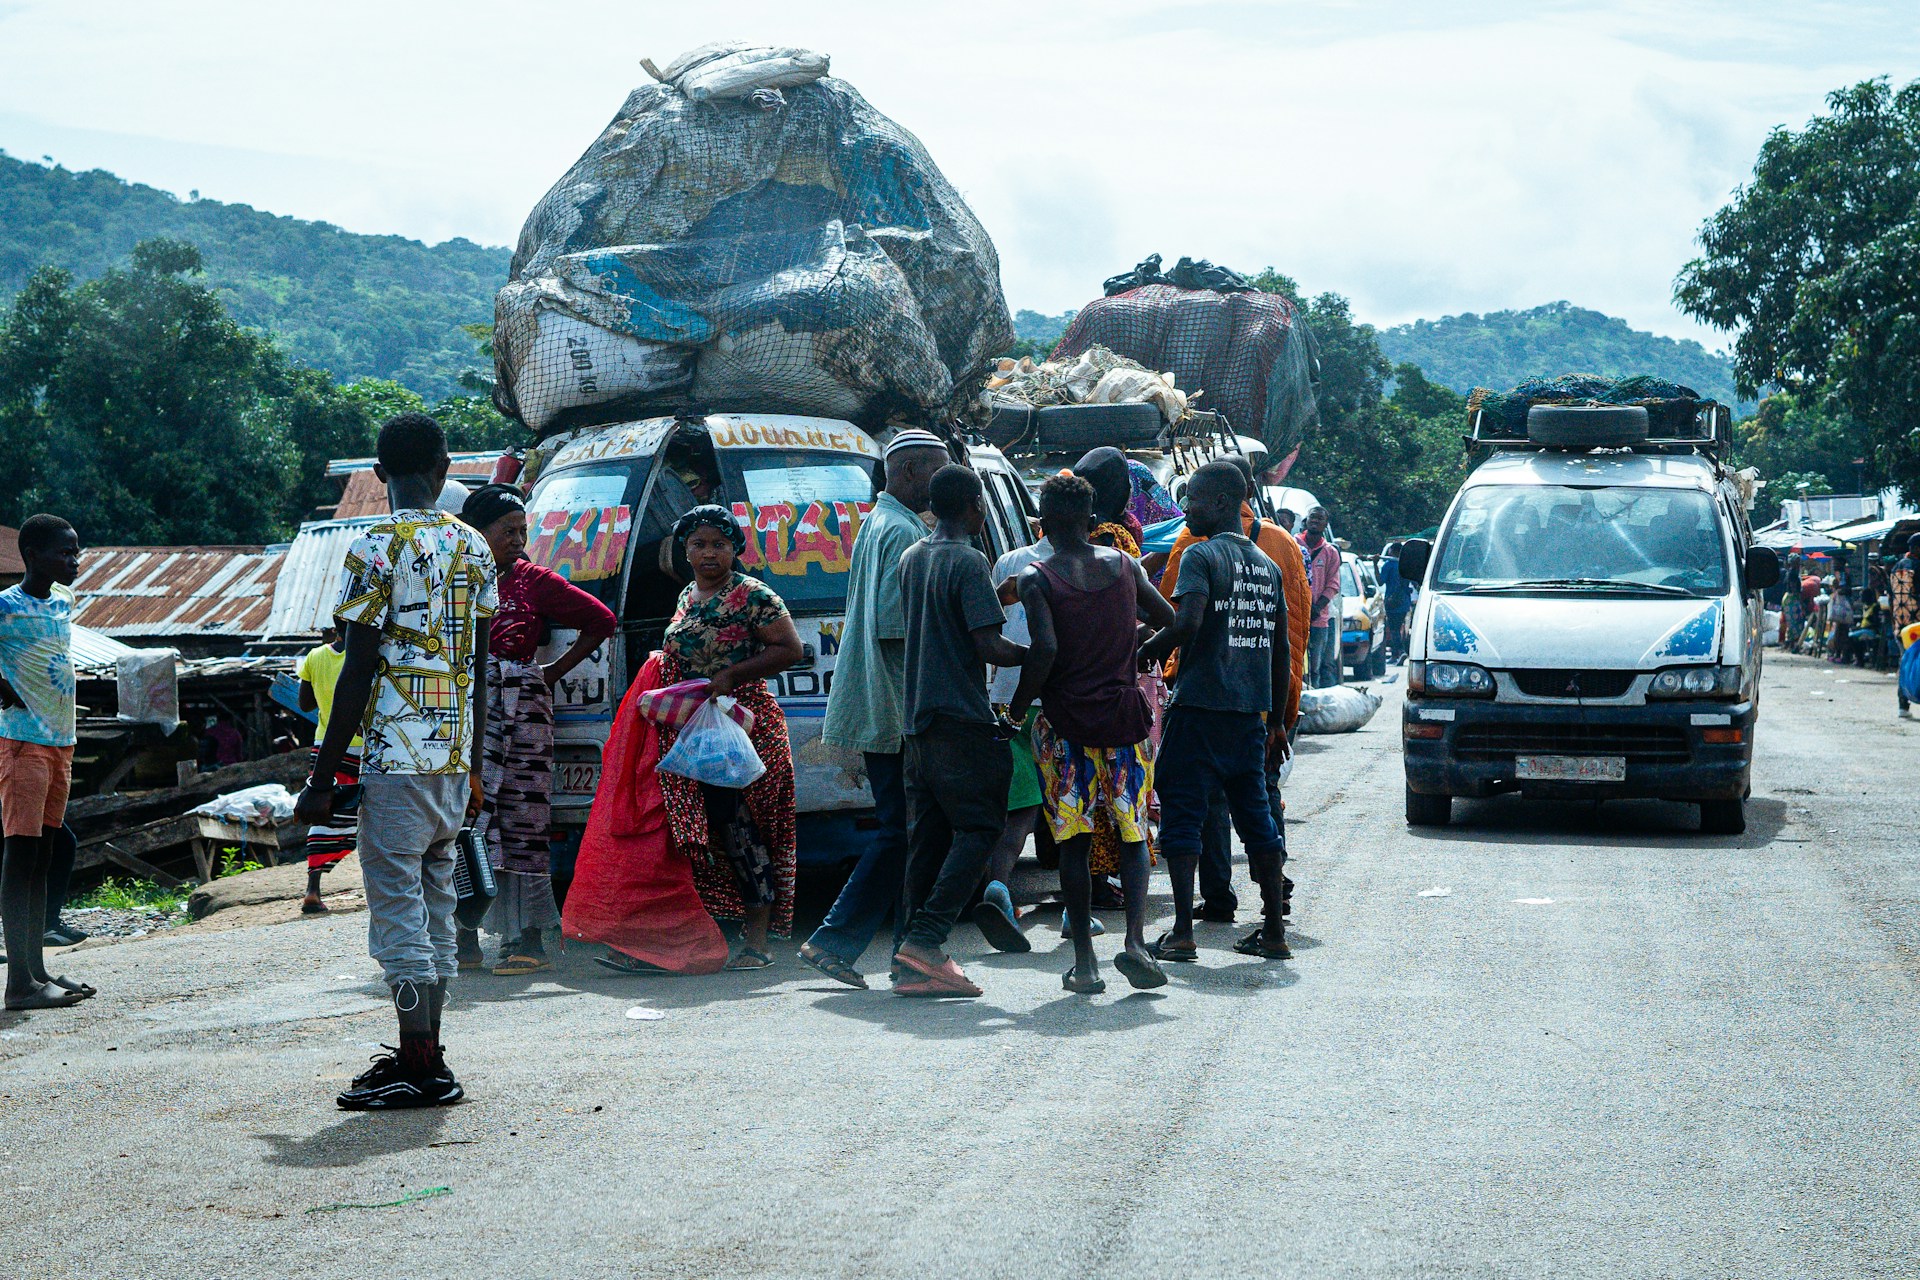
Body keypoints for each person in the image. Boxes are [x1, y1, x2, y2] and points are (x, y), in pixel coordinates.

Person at [294, 413, 499, 1110]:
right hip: (449, 762)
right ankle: (427, 1058)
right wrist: (473, 764)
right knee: (437, 910)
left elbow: (355, 669)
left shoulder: (375, 544)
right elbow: (478, 663)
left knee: (401, 919)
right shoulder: (474, 545)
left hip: (396, 760)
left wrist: (322, 781)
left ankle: (420, 1063)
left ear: (379, 474)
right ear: (444, 470)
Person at [797, 430, 951, 988]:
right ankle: (836, 941)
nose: (943, 485)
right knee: (902, 834)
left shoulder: (883, 524)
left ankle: (901, 955)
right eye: (937, 472)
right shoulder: (904, 532)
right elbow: (896, 627)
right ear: (910, 472)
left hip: (881, 703)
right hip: (894, 706)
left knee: (909, 834)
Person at [1011, 474, 1176, 993]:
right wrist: (1136, 653)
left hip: (1064, 728)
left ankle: (1084, 963)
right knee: (1132, 836)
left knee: (1074, 843)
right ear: (1090, 520)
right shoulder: (1124, 566)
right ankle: (1134, 944)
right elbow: (1171, 619)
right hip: (1125, 722)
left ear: (1042, 521)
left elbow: (1045, 652)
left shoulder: (1037, 577)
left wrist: (1016, 710)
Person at [456, 484, 618, 976]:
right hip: (463, 708)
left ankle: (526, 940)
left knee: (523, 820)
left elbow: (601, 620)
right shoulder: (452, 578)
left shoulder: (534, 581)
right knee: (465, 816)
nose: (519, 540)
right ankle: (463, 936)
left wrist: (548, 674)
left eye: (523, 531)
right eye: (507, 531)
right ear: (476, 533)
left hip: (522, 709)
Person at [1139, 462, 1292, 964]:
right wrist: (1275, 722)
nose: (1187, 510)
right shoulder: (1267, 568)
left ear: (1225, 501)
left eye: (1196, 500)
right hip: (1247, 717)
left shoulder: (1201, 557)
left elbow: (1186, 623)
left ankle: (1182, 932)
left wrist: (1146, 652)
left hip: (1200, 708)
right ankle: (1272, 931)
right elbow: (1279, 652)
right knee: (1257, 819)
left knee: (1183, 813)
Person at [640, 505, 804, 970]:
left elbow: (790, 649)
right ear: (683, 550)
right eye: (698, 544)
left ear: (735, 548)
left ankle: (757, 943)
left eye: (719, 544)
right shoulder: (689, 594)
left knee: (741, 826)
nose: (708, 553)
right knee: (697, 826)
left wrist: (732, 674)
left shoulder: (754, 595)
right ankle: (699, 935)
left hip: (743, 727)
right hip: (697, 725)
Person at [893, 464, 1025, 997]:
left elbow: (945, 620)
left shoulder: (913, 557)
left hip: (918, 720)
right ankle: (926, 939)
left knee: (925, 842)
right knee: (979, 828)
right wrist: (1047, 660)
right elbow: (989, 646)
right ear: (973, 505)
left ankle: (907, 961)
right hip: (959, 717)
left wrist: (998, 596)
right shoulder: (969, 560)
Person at [0, 515, 93, 1011]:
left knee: (44, 855)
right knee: (21, 857)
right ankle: (18, 985)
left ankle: (35, 971)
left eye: (76, 552)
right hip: (22, 742)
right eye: (64, 553)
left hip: (61, 742)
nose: (74, 561)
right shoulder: (4, 605)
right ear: (33, 554)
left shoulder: (64, 601)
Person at [295, 627, 359, 914]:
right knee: (371, 814)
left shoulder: (314, 656)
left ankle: (313, 890)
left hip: (324, 748)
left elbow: (304, 703)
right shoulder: (363, 655)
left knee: (324, 813)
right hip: (363, 744)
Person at [1301, 506, 1341, 688]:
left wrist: (1316, 608)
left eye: (1320, 518)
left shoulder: (1330, 552)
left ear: (1326, 524)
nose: (1315, 521)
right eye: (1312, 517)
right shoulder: (1293, 545)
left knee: (1315, 667)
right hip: (1296, 615)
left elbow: (1333, 584)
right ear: (1306, 520)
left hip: (1319, 619)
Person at [1893, 537, 1919, 715]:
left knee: (1904, 663)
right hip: (1916, 624)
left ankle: (1903, 705)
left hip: (1899, 624)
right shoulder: (1917, 567)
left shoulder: (1896, 567)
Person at [1382, 541, 1412, 664]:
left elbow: (1380, 581)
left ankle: (1400, 651)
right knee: (1399, 628)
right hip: (1404, 601)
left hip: (1392, 602)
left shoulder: (1388, 565)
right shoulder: (1406, 565)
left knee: (1393, 629)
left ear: (1392, 551)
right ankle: (1396, 655)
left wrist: (1374, 564)